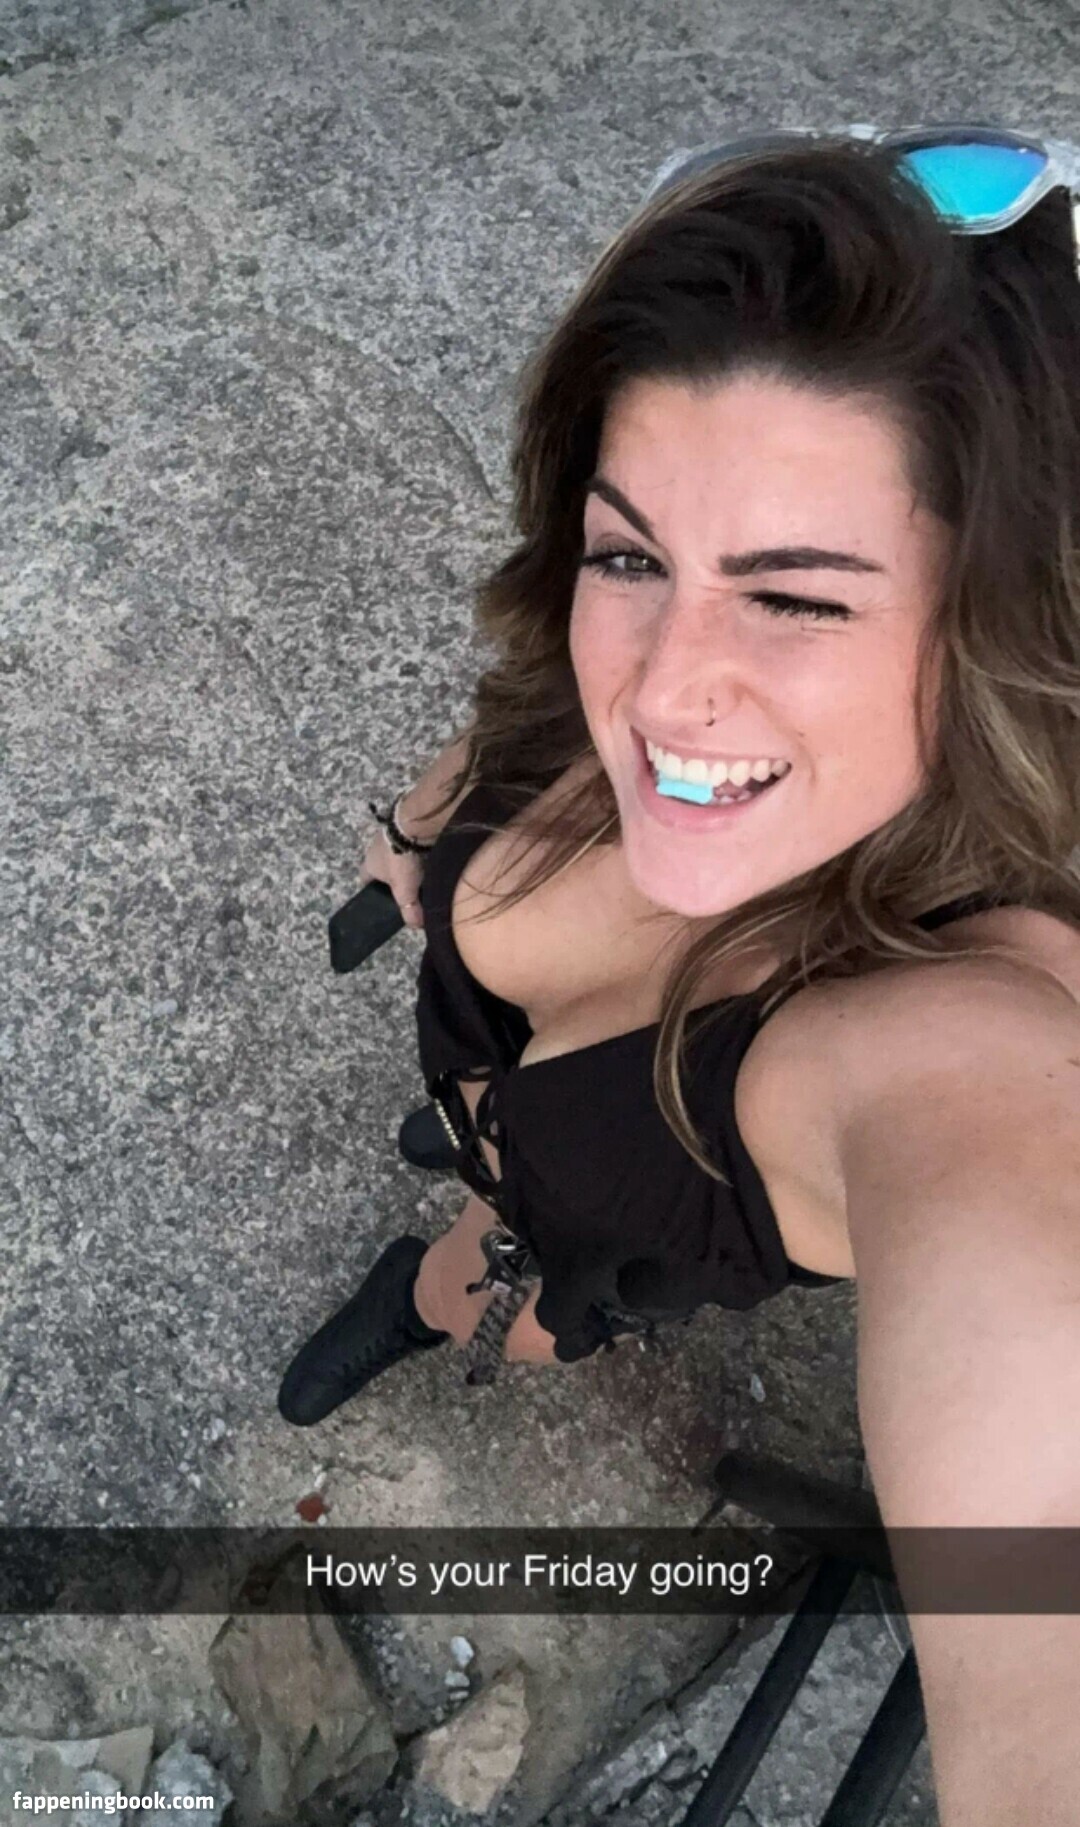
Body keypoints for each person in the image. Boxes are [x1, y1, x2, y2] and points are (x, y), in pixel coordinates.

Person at [279, 130, 1080, 1824]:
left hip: (580, 1221)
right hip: (495, 1069)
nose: (659, 690)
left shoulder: (981, 1058)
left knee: (507, 1294)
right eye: (631, 555)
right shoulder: (638, 680)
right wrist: (411, 843)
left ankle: (418, 1299)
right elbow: (524, 701)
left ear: (996, 623)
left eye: (796, 598)